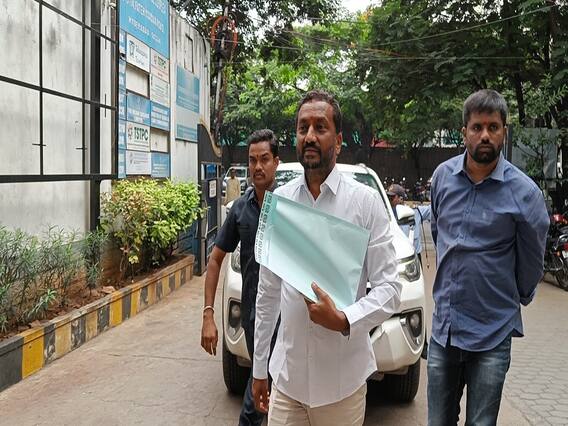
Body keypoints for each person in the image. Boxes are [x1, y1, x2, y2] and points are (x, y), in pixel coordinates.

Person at [252, 90, 402, 425]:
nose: (309, 136)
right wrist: (259, 367)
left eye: (320, 127)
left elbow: (390, 289)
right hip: (287, 381)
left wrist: (344, 319)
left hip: (342, 387)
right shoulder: (280, 202)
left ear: (338, 141)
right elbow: (268, 293)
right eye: (303, 127)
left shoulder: (365, 204)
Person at [427, 89, 549, 425]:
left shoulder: (525, 193)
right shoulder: (443, 178)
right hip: (445, 330)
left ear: (503, 132)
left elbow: (532, 259)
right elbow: (439, 235)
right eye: (477, 127)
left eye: (493, 127)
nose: (484, 135)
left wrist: (518, 295)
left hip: (492, 332)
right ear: (463, 132)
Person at [200, 129, 279, 426]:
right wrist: (208, 315)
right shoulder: (240, 209)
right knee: (263, 389)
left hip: (287, 319)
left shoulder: (290, 205)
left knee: (258, 402)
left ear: (276, 162)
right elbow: (215, 259)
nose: (258, 166)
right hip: (253, 317)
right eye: (252, 160)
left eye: (264, 159)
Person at [387, 184, 431, 265]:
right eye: (388, 197)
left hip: (414, 257)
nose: (389, 200)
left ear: (401, 199)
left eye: (392, 197)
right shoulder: (386, 213)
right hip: (395, 257)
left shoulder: (415, 211)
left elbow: (432, 210)